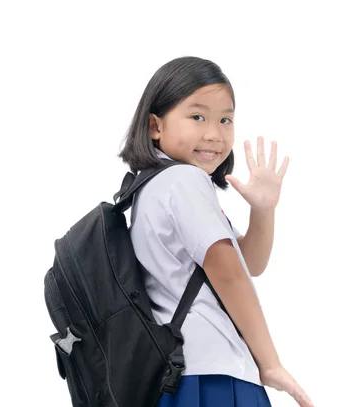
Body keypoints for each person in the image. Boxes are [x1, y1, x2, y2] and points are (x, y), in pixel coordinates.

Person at [118, 56, 313, 407]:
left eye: (226, 119)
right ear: (155, 126)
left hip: (184, 374)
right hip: (210, 377)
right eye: (197, 117)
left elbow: (249, 261)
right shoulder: (183, 180)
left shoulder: (157, 185)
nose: (214, 133)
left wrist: (263, 209)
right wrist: (269, 363)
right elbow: (230, 274)